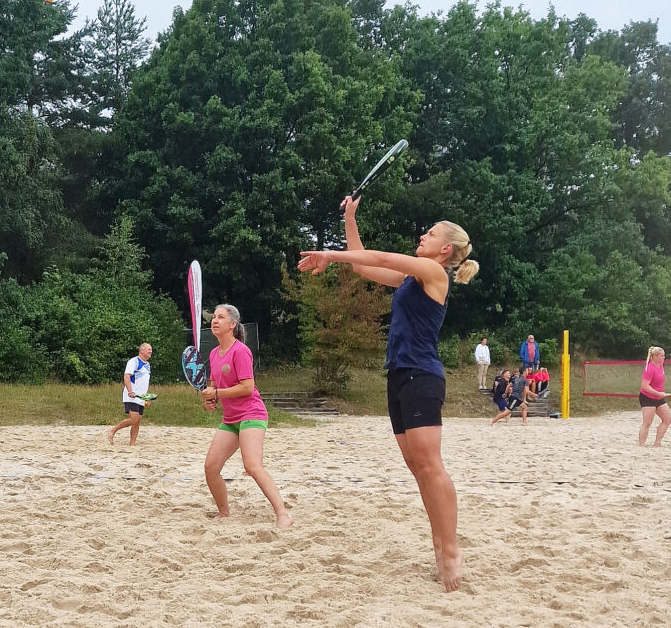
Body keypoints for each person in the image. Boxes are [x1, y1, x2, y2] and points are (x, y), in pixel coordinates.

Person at [297, 194, 478, 592]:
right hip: (398, 375)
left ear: (445, 248)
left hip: (422, 375)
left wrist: (328, 253)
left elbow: (381, 258)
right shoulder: (413, 279)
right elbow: (364, 264)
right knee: (417, 468)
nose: (422, 235)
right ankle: (438, 541)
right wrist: (349, 219)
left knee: (430, 465)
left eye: (430, 233)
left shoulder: (434, 273)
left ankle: (451, 549)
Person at [200, 304, 292, 530]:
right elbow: (214, 389)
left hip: (252, 414)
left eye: (221, 317)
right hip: (231, 419)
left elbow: (247, 387)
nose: (215, 320)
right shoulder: (214, 353)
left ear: (232, 324)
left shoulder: (241, 351)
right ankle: (224, 513)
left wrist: (217, 393)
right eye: (213, 317)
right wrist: (210, 401)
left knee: (252, 466)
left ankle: (283, 514)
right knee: (211, 467)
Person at [107, 343, 153, 445]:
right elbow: (126, 376)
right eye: (148, 349)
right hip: (131, 396)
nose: (150, 351)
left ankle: (132, 444)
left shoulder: (147, 365)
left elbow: (144, 383)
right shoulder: (134, 361)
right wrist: (130, 391)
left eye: (151, 350)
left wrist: (146, 397)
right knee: (134, 419)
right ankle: (113, 431)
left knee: (138, 421)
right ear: (141, 350)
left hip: (140, 397)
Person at [638, 346, 671, 447]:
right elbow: (644, 386)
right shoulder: (649, 369)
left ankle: (657, 443)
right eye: (662, 356)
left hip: (658, 397)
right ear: (655, 356)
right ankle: (642, 445)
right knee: (647, 423)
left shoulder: (661, 365)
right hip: (647, 397)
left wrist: (660, 393)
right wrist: (658, 393)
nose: (664, 357)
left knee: (667, 419)